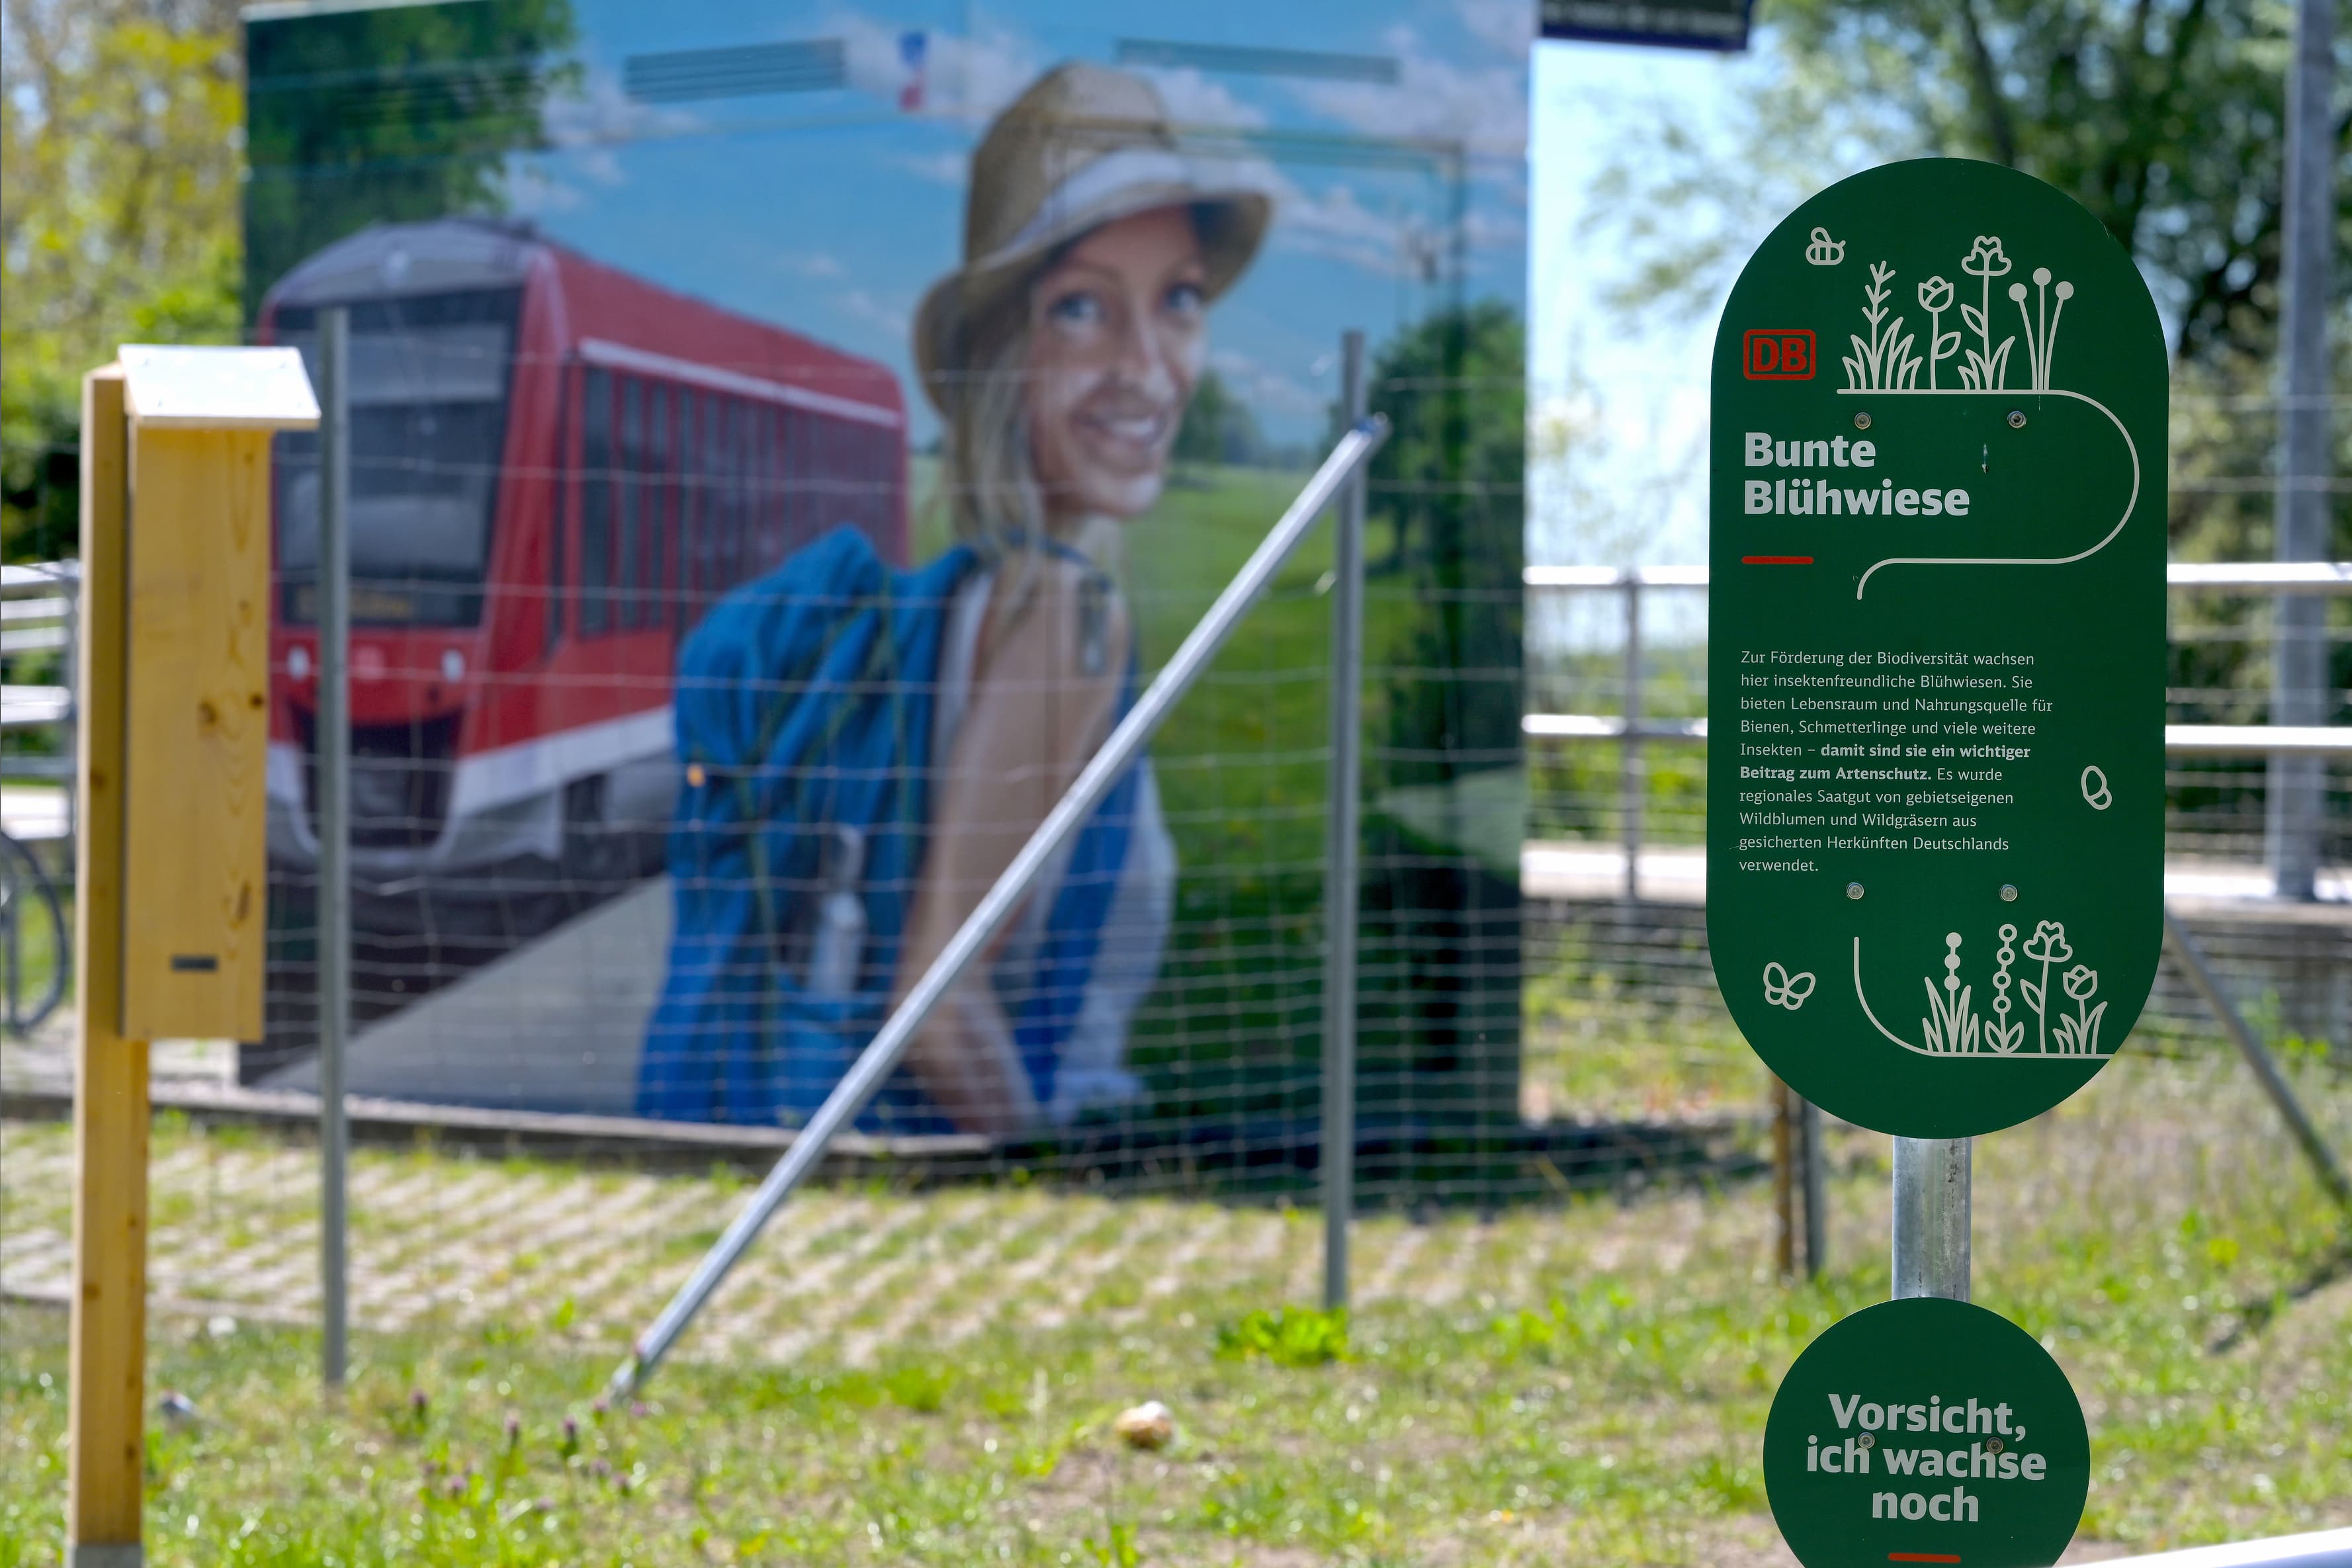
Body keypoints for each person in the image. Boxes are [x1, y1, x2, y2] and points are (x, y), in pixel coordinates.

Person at [894, 63, 1270, 1135]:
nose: (1146, 369)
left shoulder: (985, 587)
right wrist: (1043, 1189)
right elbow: (940, 1010)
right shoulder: (1065, 611)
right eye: (1080, 309)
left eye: (1178, 299)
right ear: (1004, 353)